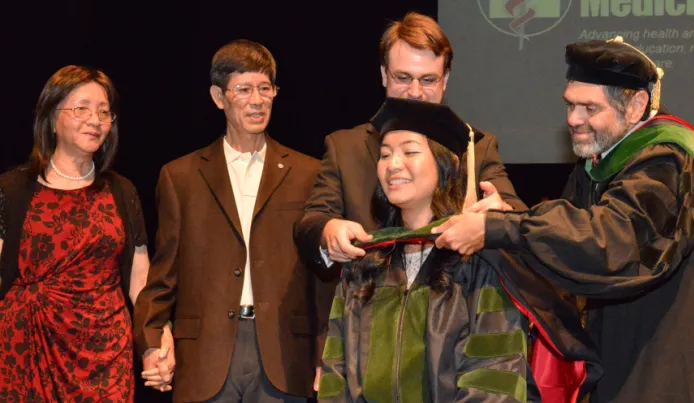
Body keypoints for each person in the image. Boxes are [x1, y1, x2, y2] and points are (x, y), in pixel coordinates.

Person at [432, 37, 694, 402]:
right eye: (570, 105)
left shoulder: (666, 161)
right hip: (627, 356)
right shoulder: (600, 161)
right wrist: (510, 217)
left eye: (589, 107)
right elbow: (571, 233)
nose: (573, 119)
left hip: (677, 368)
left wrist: (500, 229)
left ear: (635, 105)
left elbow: (612, 241)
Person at [317, 97, 600, 403]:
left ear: (447, 163)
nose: (393, 164)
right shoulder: (365, 262)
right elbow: (336, 371)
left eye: (409, 151)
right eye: (384, 155)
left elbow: (494, 374)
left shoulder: (477, 262)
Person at [133, 39, 330, 403]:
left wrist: (325, 352)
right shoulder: (181, 176)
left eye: (265, 88)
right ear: (218, 97)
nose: (257, 100)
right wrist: (151, 342)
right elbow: (163, 274)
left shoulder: (309, 173)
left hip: (283, 355)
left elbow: (321, 278)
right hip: (205, 355)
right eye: (244, 89)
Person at [294, 11, 526, 273]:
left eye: (428, 80)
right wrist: (328, 231)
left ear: (445, 81)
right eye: (402, 78)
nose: (415, 92)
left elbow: (518, 219)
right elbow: (310, 222)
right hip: (364, 303)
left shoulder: (476, 147)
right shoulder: (346, 147)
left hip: (451, 306)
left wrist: (500, 217)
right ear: (384, 74)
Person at [0, 65, 172, 401]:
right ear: (51, 119)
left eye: (104, 112)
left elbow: (141, 281)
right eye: (81, 108)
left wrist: (159, 336)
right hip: (25, 349)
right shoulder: (13, 190)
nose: (95, 120)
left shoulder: (122, 192)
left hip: (105, 356)